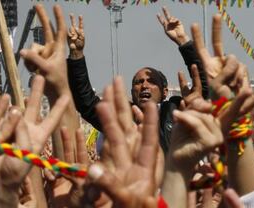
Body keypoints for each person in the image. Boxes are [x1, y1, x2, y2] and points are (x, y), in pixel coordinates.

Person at [67, 8, 208, 153]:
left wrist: (183, 42)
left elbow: (204, 88)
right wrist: (76, 54)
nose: (144, 85)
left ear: (165, 92)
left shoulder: (176, 110)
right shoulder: (121, 118)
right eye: (138, 82)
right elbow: (86, 103)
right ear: (132, 92)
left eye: (152, 81)